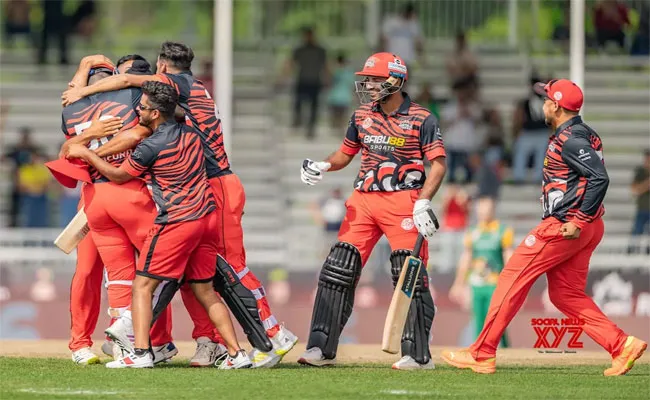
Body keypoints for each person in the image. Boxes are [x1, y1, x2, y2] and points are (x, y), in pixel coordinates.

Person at [62, 42, 298, 368]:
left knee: (230, 268)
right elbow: (134, 130)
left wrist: (79, 98)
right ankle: (163, 343)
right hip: (208, 186)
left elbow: (127, 84)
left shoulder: (175, 85)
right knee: (199, 274)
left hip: (213, 185)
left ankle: (271, 333)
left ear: (161, 67)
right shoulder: (187, 94)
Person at [441, 78, 647, 376]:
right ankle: (620, 345)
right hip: (585, 225)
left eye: (546, 98)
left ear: (557, 106)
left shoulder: (571, 139)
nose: (543, 104)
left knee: (511, 276)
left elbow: (600, 178)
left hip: (565, 226)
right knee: (565, 295)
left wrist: (577, 220)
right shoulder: (581, 133)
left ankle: (482, 352)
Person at [66, 81, 252, 369]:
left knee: (142, 287)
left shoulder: (150, 147)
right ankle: (237, 353)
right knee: (204, 290)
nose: (137, 110)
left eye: (141, 107)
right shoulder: (193, 134)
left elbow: (117, 176)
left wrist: (88, 153)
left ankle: (141, 353)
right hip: (206, 218)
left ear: (154, 113)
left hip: (176, 222)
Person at [298, 52, 447, 370]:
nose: (367, 84)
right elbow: (344, 154)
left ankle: (418, 355)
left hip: (403, 201)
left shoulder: (422, 118)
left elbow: (438, 164)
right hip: (363, 200)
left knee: (409, 274)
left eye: (375, 79)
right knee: (338, 269)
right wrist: (324, 164)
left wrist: (423, 200)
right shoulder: (361, 115)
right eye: (366, 79)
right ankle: (321, 349)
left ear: (396, 80)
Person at [57, 56, 175, 364]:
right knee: (89, 271)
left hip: (134, 191)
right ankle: (82, 343)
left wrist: (82, 72)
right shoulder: (107, 106)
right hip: (102, 196)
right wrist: (89, 134)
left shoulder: (138, 96)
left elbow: (72, 141)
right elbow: (66, 155)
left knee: (148, 271)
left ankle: (155, 341)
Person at [449, 197, 513, 346]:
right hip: (476, 283)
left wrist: (512, 283)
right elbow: (466, 258)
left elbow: (509, 257)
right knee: (478, 320)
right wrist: (459, 283)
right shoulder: (473, 232)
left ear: (493, 210)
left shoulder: (502, 231)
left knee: (496, 320)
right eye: (481, 210)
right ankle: (479, 351)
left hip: (495, 283)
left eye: (486, 209)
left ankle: (504, 350)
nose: (483, 213)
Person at [284, 26, 328, 140]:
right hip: (302, 80)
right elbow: (291, 63)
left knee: (314, 106)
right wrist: (284, 76)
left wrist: (328, 78)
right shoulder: (299, 50)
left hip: (315, 81)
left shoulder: (320, 50)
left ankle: (311, 128)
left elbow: (326, 66)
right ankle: (297, 121)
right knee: (298, 103)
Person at [511, 75, 550, 184]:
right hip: (528, 132)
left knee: (541, 156)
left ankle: (537, 177)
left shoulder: (546, 100)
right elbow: (519, 117)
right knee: (521, 154)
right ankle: (519, 176)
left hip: (542, 132)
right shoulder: (525, 102)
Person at [380, 2, 424, 78]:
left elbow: (418, 40)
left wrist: (421, 55)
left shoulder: (413, 24)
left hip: (407, 56)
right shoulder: (392, 21)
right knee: (392, 78)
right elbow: (383, 38)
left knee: (405, 78)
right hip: (393, 56)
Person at [628, 149, 650, 254]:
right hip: (642, 208)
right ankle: (631, 252)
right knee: (637, 231)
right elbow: (635, 190)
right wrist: (647, 184)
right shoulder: (640, 172)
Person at [326, 53, 355, 130]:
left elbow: (328, 82)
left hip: (334, 97)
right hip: (345, 97)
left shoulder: (334, 71)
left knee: (335, 116)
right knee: (343, 116)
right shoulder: (349, 72)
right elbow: (352, 85)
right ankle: (340, 128)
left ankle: (336, 128)